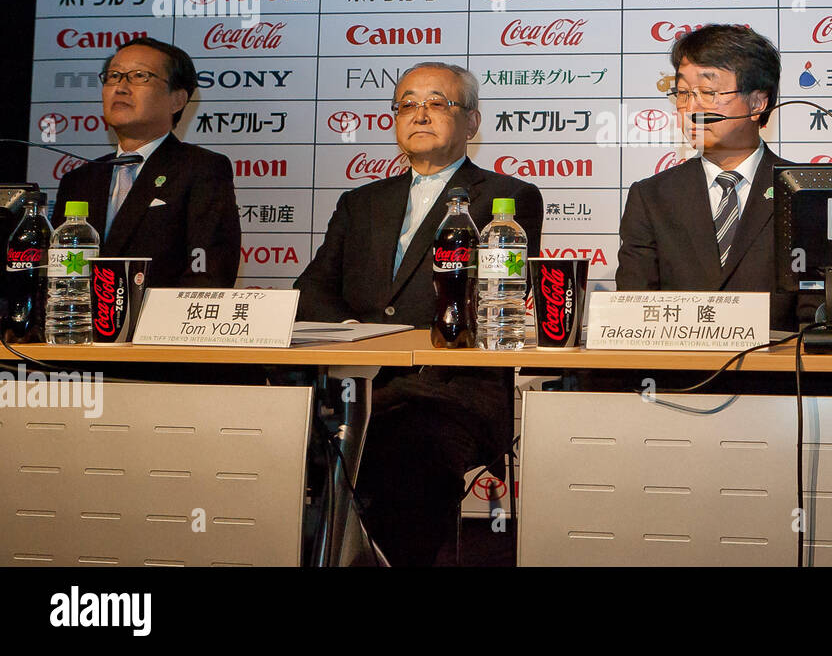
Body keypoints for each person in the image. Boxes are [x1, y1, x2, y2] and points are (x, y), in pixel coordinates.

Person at [294, 61, 543, 565]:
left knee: (406, 457)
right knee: (274, 439)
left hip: (450, 386)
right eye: (407, 104)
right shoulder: (360, 202)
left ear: (472, 122)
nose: (420, 114)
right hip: (353, 382)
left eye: (437, 103)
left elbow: (491, 300)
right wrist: (358, 340)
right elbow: (312, 288)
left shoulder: (506, 199)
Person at [616, 24, 795, 329]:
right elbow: (635, 314)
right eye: (683, 94)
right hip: (680, 373)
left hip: (778, 372)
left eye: (709, 93)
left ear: (757, 103)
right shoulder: (652, 197)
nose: (691, 108)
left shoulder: (800, 192)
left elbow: (816, 319)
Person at [53, 37, 240, 288]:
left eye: (139, 76)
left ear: (177, 100)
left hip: (160, 324)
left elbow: (208, 274)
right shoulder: (79, 180)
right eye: (113, 76)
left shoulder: (201, 169)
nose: (120, 87)